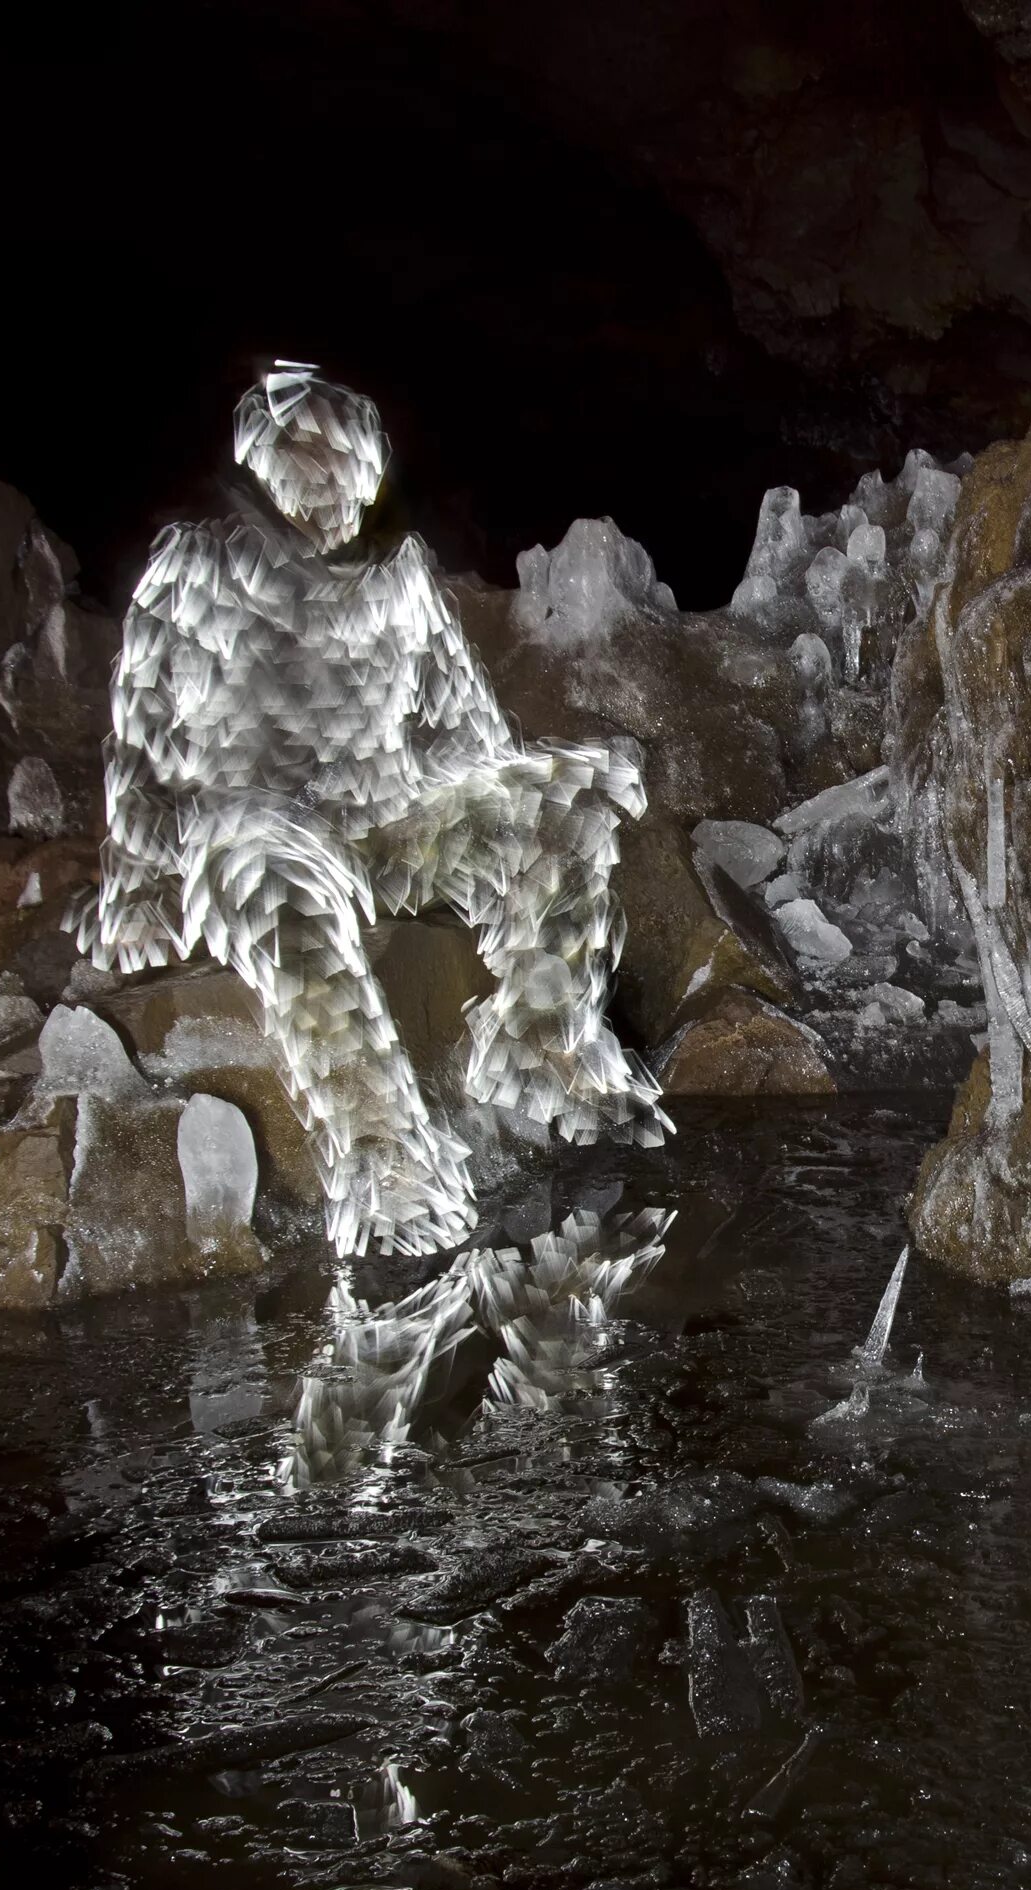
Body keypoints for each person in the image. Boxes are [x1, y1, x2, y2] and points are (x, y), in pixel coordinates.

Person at [74, 362, 666, 1256]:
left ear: (371, 466)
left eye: (342, 453)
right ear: (260, 459)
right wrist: (140, 885)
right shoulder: (194, 569)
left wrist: (518, 804)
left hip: (384, 831)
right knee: (268, 875)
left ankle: (543, 1044)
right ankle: (383, 1157)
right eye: (302, 450)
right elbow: (140, 749)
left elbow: (471, 734)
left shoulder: (402, 580)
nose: (326, 473)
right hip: (257, 832)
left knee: (572, 796)